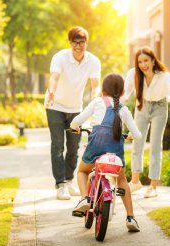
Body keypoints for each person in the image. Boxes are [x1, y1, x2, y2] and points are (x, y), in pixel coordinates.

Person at [70, 73, 142, 232]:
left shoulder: (96, 102)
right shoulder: (124, 110)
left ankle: (84, 198)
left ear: (103, 90)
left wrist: (75, 127)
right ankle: (130, 217)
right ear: (123, 93)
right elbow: (138, 135)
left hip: (96, 146)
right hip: (115, 153)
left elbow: (76, 121)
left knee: (82, 171)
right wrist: (129, 136)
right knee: (122, 181)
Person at [45, 26, 101, 200]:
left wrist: (95, 100)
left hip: (76, 109)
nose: (78, 46)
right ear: (70, 43)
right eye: (75, 42)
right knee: (57, 146)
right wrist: (51, 92)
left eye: (81, 42)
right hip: (55, 106)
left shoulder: (93, 61)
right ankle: (60, 185)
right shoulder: (60, 57)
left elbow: (95, 84)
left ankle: (69, 181)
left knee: (74, 148)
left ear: (86, 43)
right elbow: (54, 77)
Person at [122, 46, 170, 198]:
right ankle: (135, 182)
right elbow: (126, 93)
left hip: (159, 108)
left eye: (146, 61)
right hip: (142, 106)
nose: (143, 65)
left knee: (155, 145)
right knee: (137, 143)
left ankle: (153, 187)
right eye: (140, 62)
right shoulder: (133, 74)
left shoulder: (163, 75)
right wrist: (113, 104)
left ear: (153, 61)